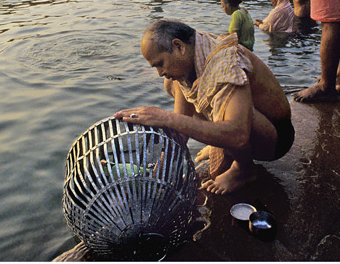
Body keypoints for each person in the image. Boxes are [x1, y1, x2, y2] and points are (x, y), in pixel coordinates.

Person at [114, 19, 293, 194]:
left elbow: (238, 135)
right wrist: (163, 164)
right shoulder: (191, 52)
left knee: (224, 115)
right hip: (246, 128)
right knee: (172, 83)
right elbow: (182, 128)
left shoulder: (225, 64)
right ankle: (223, 145)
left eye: (160, 64)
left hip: (275, 138)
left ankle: (243, 169)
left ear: (178, 47)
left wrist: (165, 118)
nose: (160, 73)